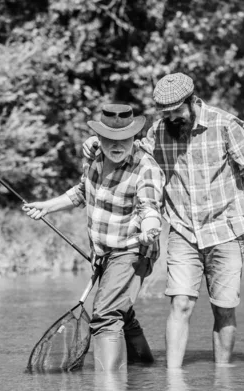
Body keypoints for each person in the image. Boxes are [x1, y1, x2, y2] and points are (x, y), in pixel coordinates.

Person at [83, 73, 244, 368]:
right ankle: (173, 379)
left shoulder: (225, 125)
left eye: (176, 111)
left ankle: (223, 376)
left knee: (224, 308)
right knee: (180, 303)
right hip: (182, 230)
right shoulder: (158, 131)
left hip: (225, 229)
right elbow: (125, 148)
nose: (170, 118)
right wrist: (99, 140)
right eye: (164, 113)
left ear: (193, 102)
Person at [23, 104, 165, 372]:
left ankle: (109, 383)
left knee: (106, 315)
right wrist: (46, 206)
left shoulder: (146, 168)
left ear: (134, 137)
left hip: (133, 251)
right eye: (110, 139)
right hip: (102, 252)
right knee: (124, 313)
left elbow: (149, 208)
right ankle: (145, 372)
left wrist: (150, 228)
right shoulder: (96, 159)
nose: (117, 145)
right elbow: (80, 192)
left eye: (123, 138)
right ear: (99, 138)